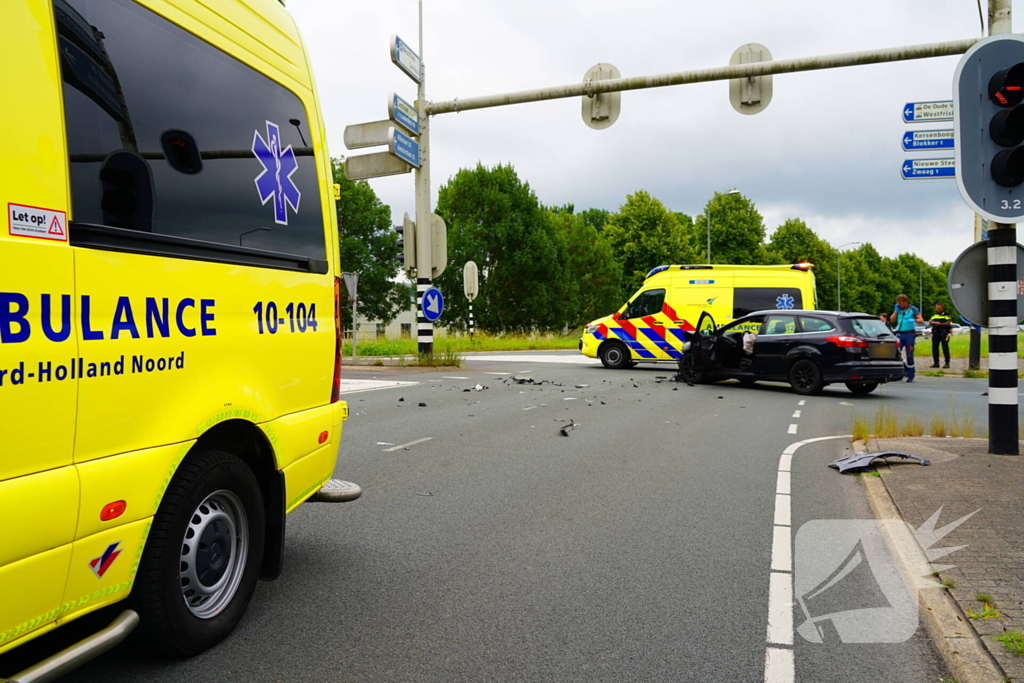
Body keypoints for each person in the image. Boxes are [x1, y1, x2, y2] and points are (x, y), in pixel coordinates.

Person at [890, 294, 924, 382]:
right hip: (900, 333)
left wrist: (914, 320)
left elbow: (921, 320)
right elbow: (892, 320)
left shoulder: (912, 309)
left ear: (905, 302)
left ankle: (910, 374)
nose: (899, 304)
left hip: (909, 334)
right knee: (896, 354)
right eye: (898, 303)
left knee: (909, 355)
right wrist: (896, 311)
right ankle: (901, 372)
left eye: (900, 303)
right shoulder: (898, 309)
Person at [929, 303, 952, 369]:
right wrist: (930, 322)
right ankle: (936, 363)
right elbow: (931, 320)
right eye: (937, 308)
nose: (938, 309)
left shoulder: (946, 314)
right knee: (935, 348)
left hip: (944, 333)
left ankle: (947, 363)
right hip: (935, 333)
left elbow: (948, 322)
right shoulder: (934, 314)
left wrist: (941, 324)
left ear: (942, 308)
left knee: (945, 348)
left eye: (939, 308)